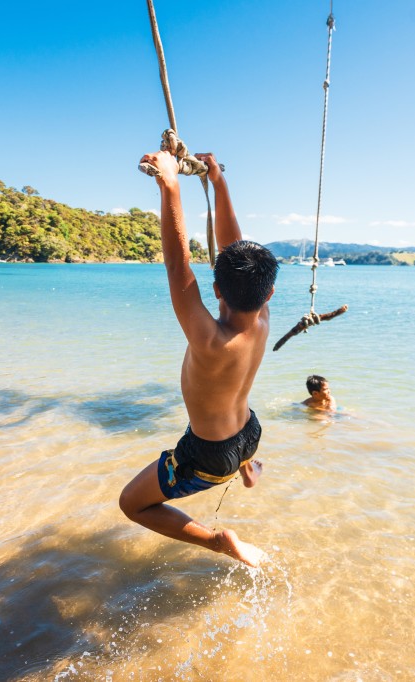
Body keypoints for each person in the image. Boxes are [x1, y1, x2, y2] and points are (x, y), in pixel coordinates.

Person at [119, 149, 278, 568]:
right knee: (231, 419)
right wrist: (217, 181)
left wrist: (170, 183)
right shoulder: (262, 318)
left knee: (132, 504)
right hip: (249, 432)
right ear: (270, 293)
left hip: (208, 456)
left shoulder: (210, 340)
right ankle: (247, 468)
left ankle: (218, 541)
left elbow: (178, 265)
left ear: (218, 291)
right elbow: (232, 247)